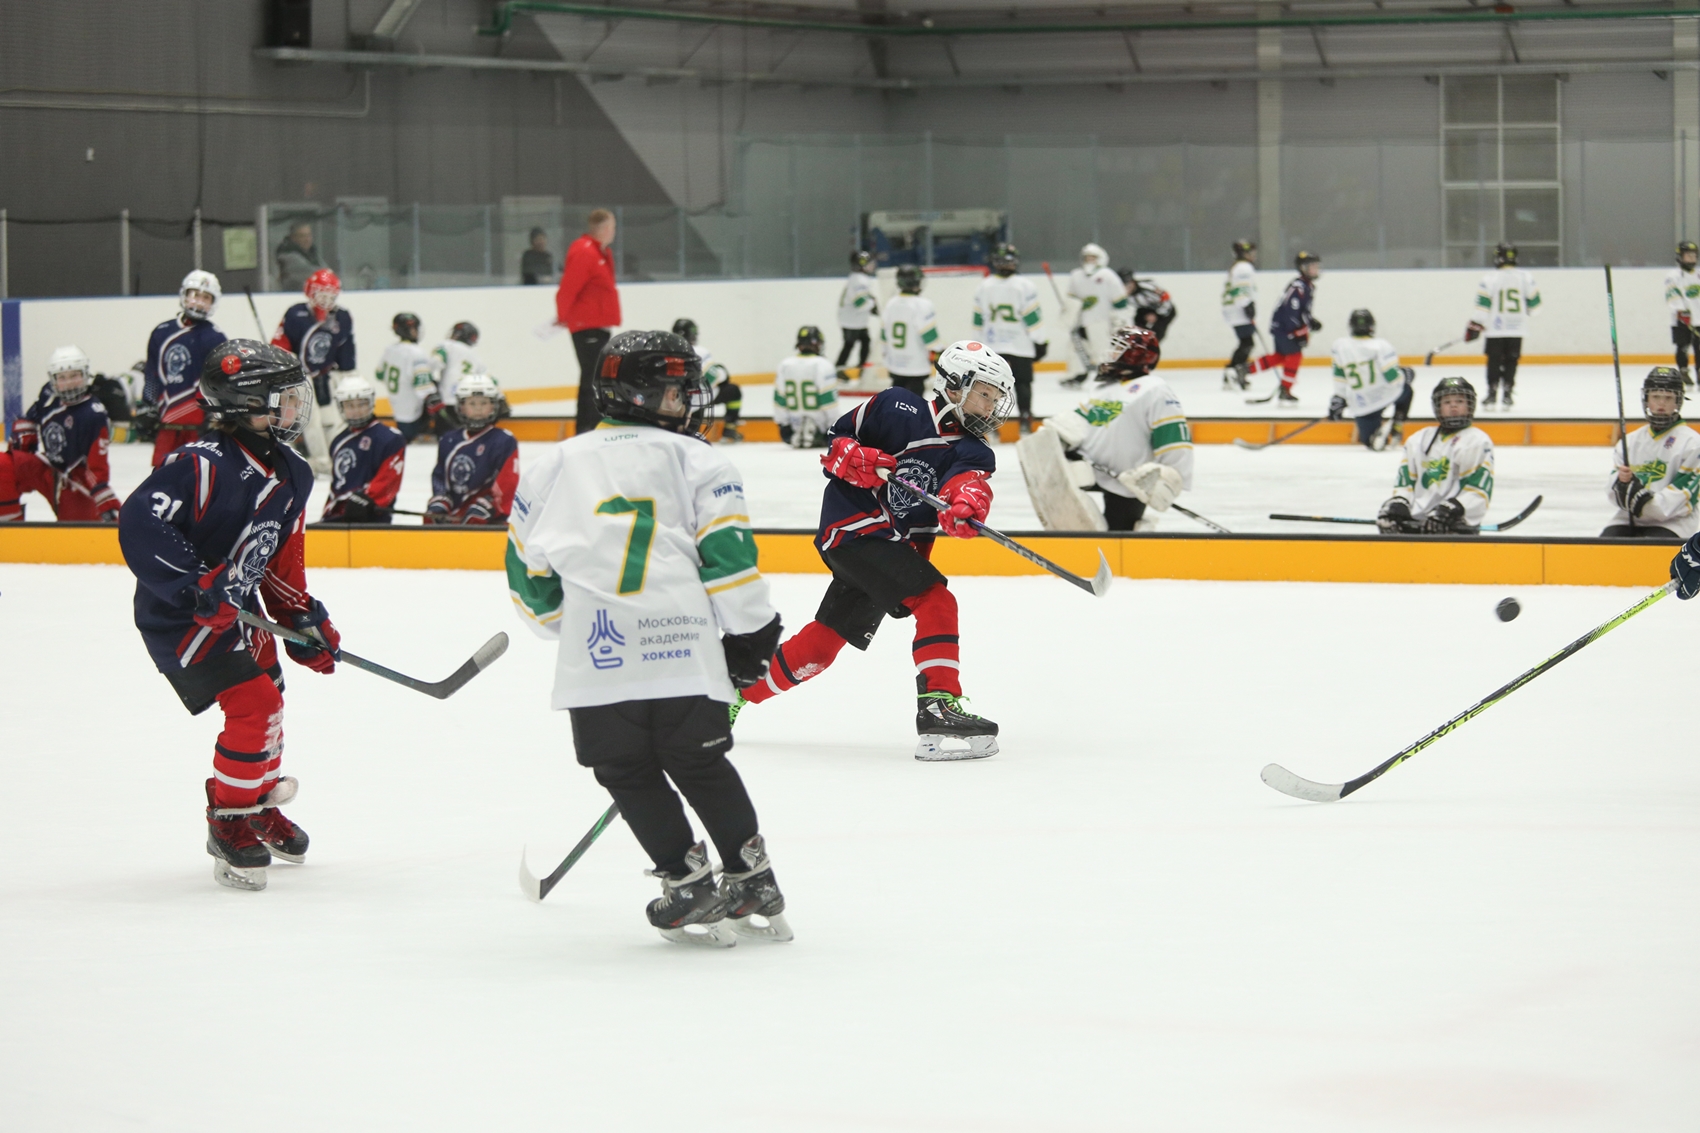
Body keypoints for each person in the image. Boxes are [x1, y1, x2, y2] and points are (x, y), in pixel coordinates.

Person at [505, 329, 789, 947]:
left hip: (598, 651)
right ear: (633, 391)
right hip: (687, 645)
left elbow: (527, 572)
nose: (688, 401)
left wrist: (558, 622)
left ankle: (688, 883)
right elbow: (729, 556)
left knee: (624, 770)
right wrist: (749, 633)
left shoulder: (555, 461)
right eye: (675, 390)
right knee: (702, 760)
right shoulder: (701, 459)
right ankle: (752, 876)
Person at [733, 340, 1014, 762]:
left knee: (821, 647)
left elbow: (968, 482)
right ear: (955, 385)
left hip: (891, 548)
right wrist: (856, 457)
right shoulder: (897, 407)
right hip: (854, 531)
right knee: (937, 601)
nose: (992, 405)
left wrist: (965, 507)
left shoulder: (973, 450)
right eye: (985, 393)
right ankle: (938, 705)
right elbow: (836, 443)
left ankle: (727, 696)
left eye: (996, 397)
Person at [116, 340, 331, 892]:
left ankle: (256, 801)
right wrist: (193, 586)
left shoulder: (294, 473)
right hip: (181, 615)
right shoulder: (199, 464)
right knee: (254, 705)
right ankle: (228, 821)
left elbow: (278, 559)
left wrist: (303, 618)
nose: (294, 409)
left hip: (239, 608)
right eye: (282, 400)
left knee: (273, 696)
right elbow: (141, 523)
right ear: (245, 406)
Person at [1037, 326, 1192, 532]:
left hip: (1130, 481)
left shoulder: (1155, 389)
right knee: (1074, 528)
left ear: (1136, 355)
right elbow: (1077, 420)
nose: (1111, 353)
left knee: (1119, 534)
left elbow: (1172, 436)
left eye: (1118, 348)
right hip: (1086, 470)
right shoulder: (1105, 387)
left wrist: (1171, 477)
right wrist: (1057, 436)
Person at [0, 347, 121, 522]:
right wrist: (24, 434)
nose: (69, 382)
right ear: (53, 380)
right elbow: (34, 414)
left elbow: (96, 467)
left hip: (74, 481)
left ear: (86, 375)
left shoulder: (93, 415)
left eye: (75, 376)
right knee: (3, 465)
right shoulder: (49, 394)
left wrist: (105, 503)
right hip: (47, 466)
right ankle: (8, 529)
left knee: (78, 535)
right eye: (62, 377)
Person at [1377, 377, 1494, 536]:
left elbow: (1478, 489)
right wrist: (1399, 503)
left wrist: (1453, 509)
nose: (1453, 405)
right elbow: (1406, 482)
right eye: (1447, 402)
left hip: (1454, 526)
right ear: (1438, 406)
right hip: (1415, 523)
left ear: (1469, 405)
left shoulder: (1477, 441)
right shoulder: (1418, 439)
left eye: (1459, 401)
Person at [272, 268, 355, 473]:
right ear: (309, 291)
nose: (326, 300)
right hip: (298, 376)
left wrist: (347, 375)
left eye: (331, 295)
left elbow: (346, 356)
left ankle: (333, 455)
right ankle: (319, 460)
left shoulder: (342, 317)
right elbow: (279, 347)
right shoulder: (296, 314)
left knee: (333, 419)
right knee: (310, 417)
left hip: (325, 376)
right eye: (321, 294)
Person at [142, 270, 228, 467]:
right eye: (195, 295)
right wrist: (147, 406)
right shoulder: (162, 332)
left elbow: (220, 383)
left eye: (206, 298)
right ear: (184, 295)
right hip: (167, 427)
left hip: (198, 428)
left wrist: (214, 414)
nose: (199, 302)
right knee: (161, 481)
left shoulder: (215, 338)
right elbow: (152, 375)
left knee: (197, 482)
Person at [1602, 367, 1700, 540]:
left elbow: (1682, 494)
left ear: (1678, 401)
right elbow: (1612, 489)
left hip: (1674, 522)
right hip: (1628, 519)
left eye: (1668, 398)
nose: (1661, 404)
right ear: (1646, 400)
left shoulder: (1692, 443)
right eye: (1655, 397)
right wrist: (1621, 485)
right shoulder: (1630, 441)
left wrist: (1642, 501)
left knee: (1650, 549)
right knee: (1601, 549)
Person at [971, 243, 1047, 433]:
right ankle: (1025, 416)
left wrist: (977, 344)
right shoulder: (1025, 285)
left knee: (991, 385)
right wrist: (1040, 340)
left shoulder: (984, 286)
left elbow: (978, 319)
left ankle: (989, 418)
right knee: (1023, 383)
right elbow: (1032, 317)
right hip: (1020, 343)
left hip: (992, 345)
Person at [557, 209, 620, 433]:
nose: (614, 232)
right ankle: (587, 428)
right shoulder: (585, 252)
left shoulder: (599, 253)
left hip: (597, 324)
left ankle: (590, 426)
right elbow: (568, 287)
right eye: (612, 227)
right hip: (587, 325)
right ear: (603, 229)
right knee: (593, 377)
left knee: (595, 376)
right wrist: (564, 316)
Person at [424, 373, 518, 525]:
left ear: (494, 406)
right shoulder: (449, 439)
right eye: (472, 404)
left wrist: (489, 506)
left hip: (488, 521)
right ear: (461, 406)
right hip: (451, 519)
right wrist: (440, 501)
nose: (478, 409)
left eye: (484, 403)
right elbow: (440, 475)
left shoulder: (504, 440)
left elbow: (507, 482)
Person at [1463, 242, 1540, 410]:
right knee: (1512, 360)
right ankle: (1507, 395)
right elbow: (1535, 307)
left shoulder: (1490, 278)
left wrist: (1476, 324)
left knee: (1494, 361)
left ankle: (1492, 394)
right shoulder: (1525, 277)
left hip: (1495, 330)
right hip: (1517, 328)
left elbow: (1482, 307)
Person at [321, 375, 406, 524]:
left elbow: (388, 479)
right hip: (336, 518)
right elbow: (338, 484)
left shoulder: (390, 438)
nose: (356, 410)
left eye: (361, 404)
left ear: (371, 403)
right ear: (341, 407)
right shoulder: (338, 441)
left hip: (372, 518)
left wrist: (366, 499)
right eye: (350, 405)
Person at [1328, 309, 1414, 451]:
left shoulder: (1340, 346)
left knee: (1371, 444)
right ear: (1372, 326)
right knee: (1407, 390)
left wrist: (1339, 397)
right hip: (1386, 394)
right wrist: (1406, 374)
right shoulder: (1381, 345)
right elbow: (1392, 376)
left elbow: (1340, 375)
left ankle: (1377, 437)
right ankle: (1397, 422)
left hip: (1362, 403)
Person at [1247, 251, 1322, 405]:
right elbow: (1290, 311)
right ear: (1303, 268)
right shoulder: (1299, 286)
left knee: (1280, 356)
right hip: (1286, 328)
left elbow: (1301, 311)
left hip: (1282, 327)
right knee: (1295, 356)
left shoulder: (1305, 285)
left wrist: (1310, 321)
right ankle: (1285, 390)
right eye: (1312, 266)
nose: (1316, 269)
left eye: (1316, 266)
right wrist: (1297, 332)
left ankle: (1246, 370)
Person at [1060, 243, 1129, 389]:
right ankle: (1077, 376)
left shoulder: (1107, 275)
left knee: (1102, 349)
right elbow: (1071, 298)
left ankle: (1110, 374)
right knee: (1075, 349)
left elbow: (1120, 301)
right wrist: (1069, 308)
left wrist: (1117, 318)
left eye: (1093, 257)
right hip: (1079, 321)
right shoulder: (1076, 275)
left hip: (1100, 320)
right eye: (1087, 258)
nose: (1089, 260)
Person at [672, 318, 742, 442]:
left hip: (673, 400)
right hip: (697, 400)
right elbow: (715, 376)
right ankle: (729, 428)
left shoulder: (668, 350)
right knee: (733, 391)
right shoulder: (700, 351)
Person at [773, 326, 839, 449]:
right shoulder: (823, 365)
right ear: (818, 344)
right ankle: (812, 429)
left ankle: (799, 429)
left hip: (792, 428)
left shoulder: (785, 364)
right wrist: (834, 426)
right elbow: (828, 401)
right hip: (822, 429)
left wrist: (784, 425)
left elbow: (780, 399)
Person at [376, 312, 436, 443]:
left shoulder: (390, 349)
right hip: (412, 410)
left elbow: (379, 374)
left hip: (397, 405)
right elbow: (423, 386)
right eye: (415, 329)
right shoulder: (416, 353)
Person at [882, 265, 940, 396]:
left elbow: (884, 335)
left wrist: (886, 354)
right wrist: (939, 351)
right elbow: (930, 337)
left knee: (895, 403)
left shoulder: (890, 303)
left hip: (895, 364)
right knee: (913, 408)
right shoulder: (922, 305)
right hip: (916, 366)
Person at [432, 321, 484, 430]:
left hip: (446, 401)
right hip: (468, 403)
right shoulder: (476, 356)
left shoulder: (446, 345)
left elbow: (434, 364)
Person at [1220, 239, 1258, 390]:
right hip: (1238, 311)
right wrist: (1246, 305)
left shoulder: (1238, 266)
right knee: (1247, 343)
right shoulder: (1244, 267)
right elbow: (1241, 289)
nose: (1254, 255)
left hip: (1234, 310)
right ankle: (1232, 373)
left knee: (1246, 343)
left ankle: (1232, 373)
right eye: (1251, 252)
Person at [835, 250, 879, 375]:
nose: (873, 265)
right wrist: (872, 305)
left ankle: (858, 367)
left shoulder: (857, 278)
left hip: (852, 319)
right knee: (851, 344)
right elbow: (860, 303)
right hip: (852, 320)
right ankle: (841, 369)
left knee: (863, 341)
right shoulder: (860, 280)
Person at [1665, 242, 1699, 387]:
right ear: (1680, 257)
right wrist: (1681, 310)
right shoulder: (1673, 276)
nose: (1691, 259)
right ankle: (1683, 371)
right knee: (1682, 346)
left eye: (1694, 256)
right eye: (1688, 256)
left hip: (1699, 319)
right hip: (1681, 319)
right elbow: (1671, 294)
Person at [1124, 269, 1176, 342]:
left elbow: (1165, 298)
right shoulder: (1124, 294)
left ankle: (1152, 347)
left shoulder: (1147, 286)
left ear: (1133, 282)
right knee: (1138, 328)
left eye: (1128, 285)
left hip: (1165, 310)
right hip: (1147, 310)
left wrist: (1157, 314)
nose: (1126, 289)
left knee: (1157, 332)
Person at [274, 221, 326, 293]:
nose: (307, 239)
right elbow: (314, 273)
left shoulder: (312, 254)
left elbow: (326, 272)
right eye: (302, 236)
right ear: (293, 238)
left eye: (309, 235)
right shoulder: (286, 255)